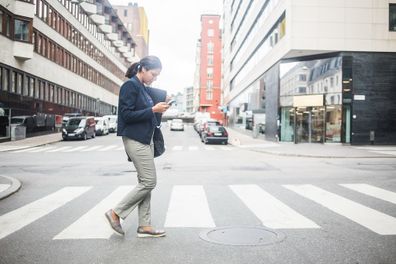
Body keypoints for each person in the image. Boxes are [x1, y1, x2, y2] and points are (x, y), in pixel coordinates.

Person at [105, 56, 169, 238]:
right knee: (149, 182)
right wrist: (152, 110)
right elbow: (126, 115)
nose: (155, 78)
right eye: (153, 74)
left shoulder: (143, 88)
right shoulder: (130, 86)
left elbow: (148, 114)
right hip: (135, 140)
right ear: (143, 69)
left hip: (145, 139)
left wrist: (158, 110)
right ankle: (116, 213)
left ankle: (145, 225)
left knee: (145, 183)